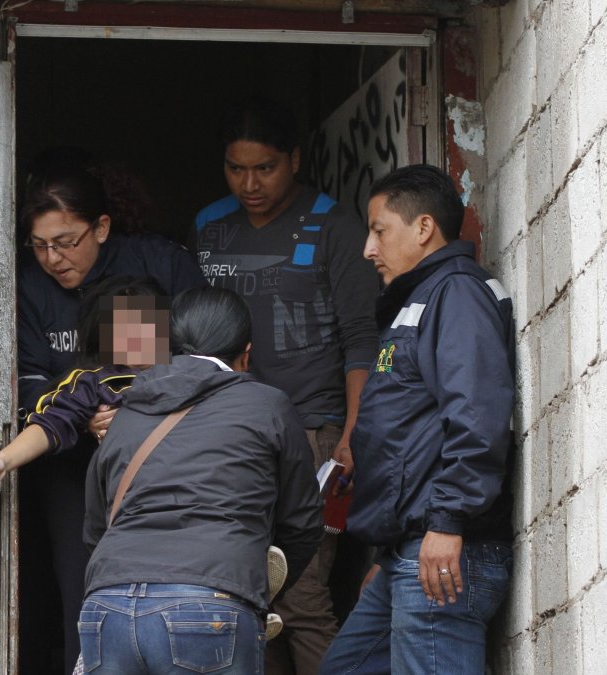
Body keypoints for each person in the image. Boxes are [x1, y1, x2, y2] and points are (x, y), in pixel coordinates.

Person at [194, 98, 380, 674]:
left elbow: (360, 340)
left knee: (299, 595)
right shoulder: (209, 227)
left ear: (295, 160)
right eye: (235, 168)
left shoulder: (336, 226)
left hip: (311, 431)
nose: (250, 183)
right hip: (230, 431)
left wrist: (354, 430)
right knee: (243, 597)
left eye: (266, 167)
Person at [318, 165, 515, 674]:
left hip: (447, 547)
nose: (368, 248)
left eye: (379, 230)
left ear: (423, 228)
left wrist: (448, 523)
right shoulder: (423, 298)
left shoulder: (457, 293)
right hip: (412, 551)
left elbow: (476, 416)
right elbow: (413, 431)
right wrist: (388, 556)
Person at [17, 164, 206, 674]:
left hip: (171, 453)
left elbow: (203, 357)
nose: (53, 259)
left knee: (174, 576)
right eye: (39, 245)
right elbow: (30, 384)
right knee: (80, 580)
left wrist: (135, 415)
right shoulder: (31, 288)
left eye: (66, 241)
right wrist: (87, 422)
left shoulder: (160, 265)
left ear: (101, 227)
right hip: (69, 461)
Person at [79, 286, 324, 674]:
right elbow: (302, 521)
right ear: (246, 353)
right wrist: (255, 587)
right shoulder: (267, 405)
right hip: (208, 602)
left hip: (107, 606)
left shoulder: (127, 412)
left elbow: (96, 528)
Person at [0, 276, 168, 505]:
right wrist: (3, 461)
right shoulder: (95, 381)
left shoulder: (190, 372)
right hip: (125, 501)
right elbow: (51, 423)